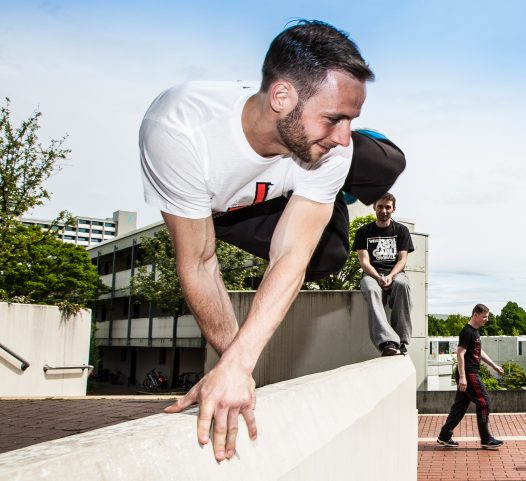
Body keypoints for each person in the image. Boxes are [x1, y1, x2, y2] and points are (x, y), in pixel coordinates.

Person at [140, 20, 404, 462]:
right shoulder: (178, 132)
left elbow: (291, 256)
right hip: (227, 209)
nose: (342, 137)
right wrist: (234, 365)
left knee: (337, 239)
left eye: (350, 121)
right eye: (334, 118)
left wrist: (238, 364)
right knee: (229, 235)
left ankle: (331, 187)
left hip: (303, 182)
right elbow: (200, 262)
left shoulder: (336, 149)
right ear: (281, 98)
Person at [436, 304, 506, 450]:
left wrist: (494, 366)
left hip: (469, 373)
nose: (486, 320)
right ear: (476, 315)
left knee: (460, 407)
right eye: (484, 317)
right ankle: (486, 439)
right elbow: (460, 353)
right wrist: (463, 377)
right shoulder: (467, 331)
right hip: (469, 373)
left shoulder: (474, 332)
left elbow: (478, 351)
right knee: (484, 402)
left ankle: (444, 436)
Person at [354, 192, 414, 356]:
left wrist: (391, 276)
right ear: (374, 207)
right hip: (372, 274)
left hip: (395, 273)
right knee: (371, 289)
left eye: (388, 207)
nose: (384, 210)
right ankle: (387, 342)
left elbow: (402, 260)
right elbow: (364, 262)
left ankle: (401, 340)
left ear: (393, 209)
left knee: (402, 284)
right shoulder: (363, 232)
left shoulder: (401, 231)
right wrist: (378, 277)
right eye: (380, 206)